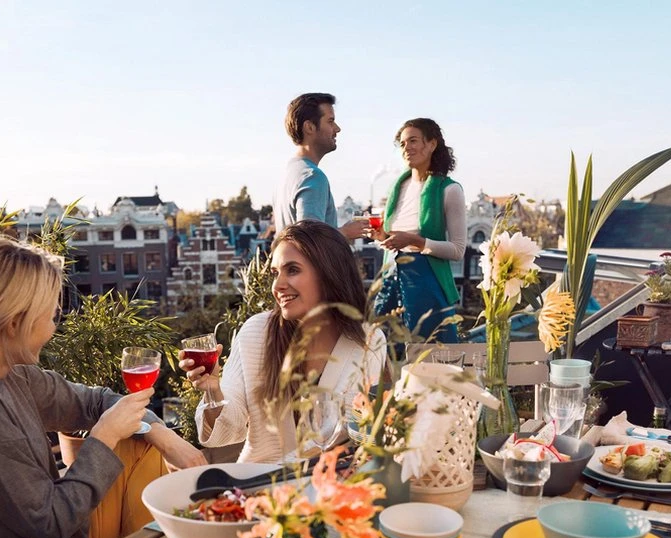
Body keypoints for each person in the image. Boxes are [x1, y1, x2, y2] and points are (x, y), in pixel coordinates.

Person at [0, 235, 203, 538]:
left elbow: (94, 402)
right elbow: (51, 523)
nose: (54, 328)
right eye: (51, 315)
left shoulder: (8, 376)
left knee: (142, 445)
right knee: (132, 451)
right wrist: (104, 435)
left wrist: (163, 435)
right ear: (14, 323)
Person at [182, 220, 386, 463]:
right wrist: (213, 390)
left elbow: (356, 435)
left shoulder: (368, 342)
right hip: (255, 487)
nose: (277, 286)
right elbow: (227, 431)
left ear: (329, 273)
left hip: (330, 489)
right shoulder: (255, 332)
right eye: (275, 273)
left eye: (293, 270)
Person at [371, 117, 466, 341]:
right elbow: (392, 239)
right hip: (391, 280)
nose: (407, 148)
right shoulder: (398, 188)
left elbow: (458, 250)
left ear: (432, 144)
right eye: (402, 144)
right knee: (382, 355)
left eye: (413, 141)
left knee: (429, 357)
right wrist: (380, 236)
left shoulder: (449, 190)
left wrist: (415, 241)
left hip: (426, 284)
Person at [274, 92, 369, 241]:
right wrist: (345, 233)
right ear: (309, 127)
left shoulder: (287, 175)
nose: (337, 129)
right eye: (330, 121)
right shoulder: (312, 176)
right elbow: (309, 240)